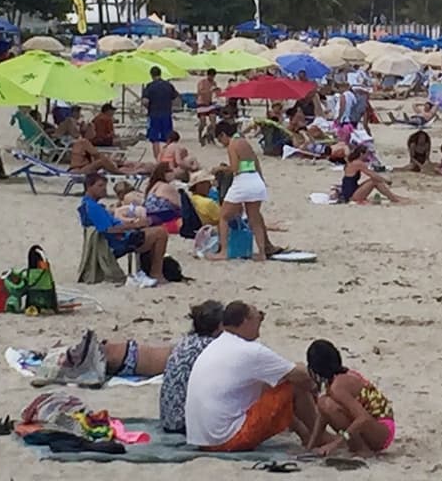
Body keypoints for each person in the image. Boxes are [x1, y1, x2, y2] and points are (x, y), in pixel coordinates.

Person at [185, 301, 318, 451]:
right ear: (245, 321)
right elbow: (301, 376)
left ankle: (305, 434)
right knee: (293, 385)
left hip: (203, 440)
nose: (261, 321)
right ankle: (319, 435)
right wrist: (315, 386)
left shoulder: (217, 345)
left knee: (274, 382)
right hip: (227, 439)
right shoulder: (251, 351)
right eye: (259, 317)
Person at [305, 339, 397, 457]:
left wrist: (335, 444)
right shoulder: (338, 378)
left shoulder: (338, 387)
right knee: (324, 403)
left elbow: (363, 418)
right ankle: (359, 446)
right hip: (379, 425)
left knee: (328, 405)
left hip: (382, 430)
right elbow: (323, 416)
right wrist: (310, 446)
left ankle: (361, 450)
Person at [77, 172, 168, 287]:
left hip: (117, 238)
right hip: (119, 241)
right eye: (100, 186)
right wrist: (134, 226)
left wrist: (132, 224)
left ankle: (146, 271)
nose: (104, 189)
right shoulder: (93, 207)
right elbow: (109, 229)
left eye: (104, 186)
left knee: (152, 230)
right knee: (160, 233)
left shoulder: (88, 204)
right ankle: (156, 274)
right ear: (89, 187)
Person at [160, 300, 226, 434]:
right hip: (185, 423)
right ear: (220, 326)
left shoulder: (186, 342)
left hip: (169, 420)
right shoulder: (211, 347)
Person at [214, 121, 273, 260]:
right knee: (254, 218)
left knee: (224, 216)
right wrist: (261, 180)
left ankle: (224, 251)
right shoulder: (244, 142)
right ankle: (262, 253)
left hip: (243, 182)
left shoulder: (232, 145)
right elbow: (255, 162)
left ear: (223, 135)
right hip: (255, 180)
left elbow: (235, 168)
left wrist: (220, 168)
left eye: (220, 140)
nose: (222, 144)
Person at [333, 145, 410, 204]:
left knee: (373, 180)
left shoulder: (351, 162)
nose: (367, 156)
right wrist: (386, 181)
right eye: (366, 154)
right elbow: (372, 174)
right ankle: (394, 198)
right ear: (361, 154)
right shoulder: (358, 163)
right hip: (351, 195)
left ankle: (393, 197)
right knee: (374, 181)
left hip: (349, 191)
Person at [142, 66, 180, 159]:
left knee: (155, 139)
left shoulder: (150, 86)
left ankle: (158, 160)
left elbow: (145, 101)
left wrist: (148, 108)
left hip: (154, 115)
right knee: (169, 138)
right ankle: (168, 158)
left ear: (151, 75)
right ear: (160, 73)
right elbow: (177, 99)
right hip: (166, 114)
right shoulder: (168, 85)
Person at [143, 161, 184, 228]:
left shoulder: (154, 185)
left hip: (151, 216)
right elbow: (181, 205)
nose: (173, 172)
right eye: (171, 171)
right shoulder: (166, 187)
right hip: (164, 219)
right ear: (164, 173)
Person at [197, 69, 219, 145]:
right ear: (208, 75)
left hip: (210, 104)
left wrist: (217, 91)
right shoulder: (202, 82)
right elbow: (200, 92)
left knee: (213, 121)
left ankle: (209, 135)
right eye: (211, 76)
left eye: (213, 76)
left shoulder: (214, 83)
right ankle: (199, 135)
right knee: (203, 122)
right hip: (202, 103)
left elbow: (216, 94)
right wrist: (209, 91)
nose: (212, 78)